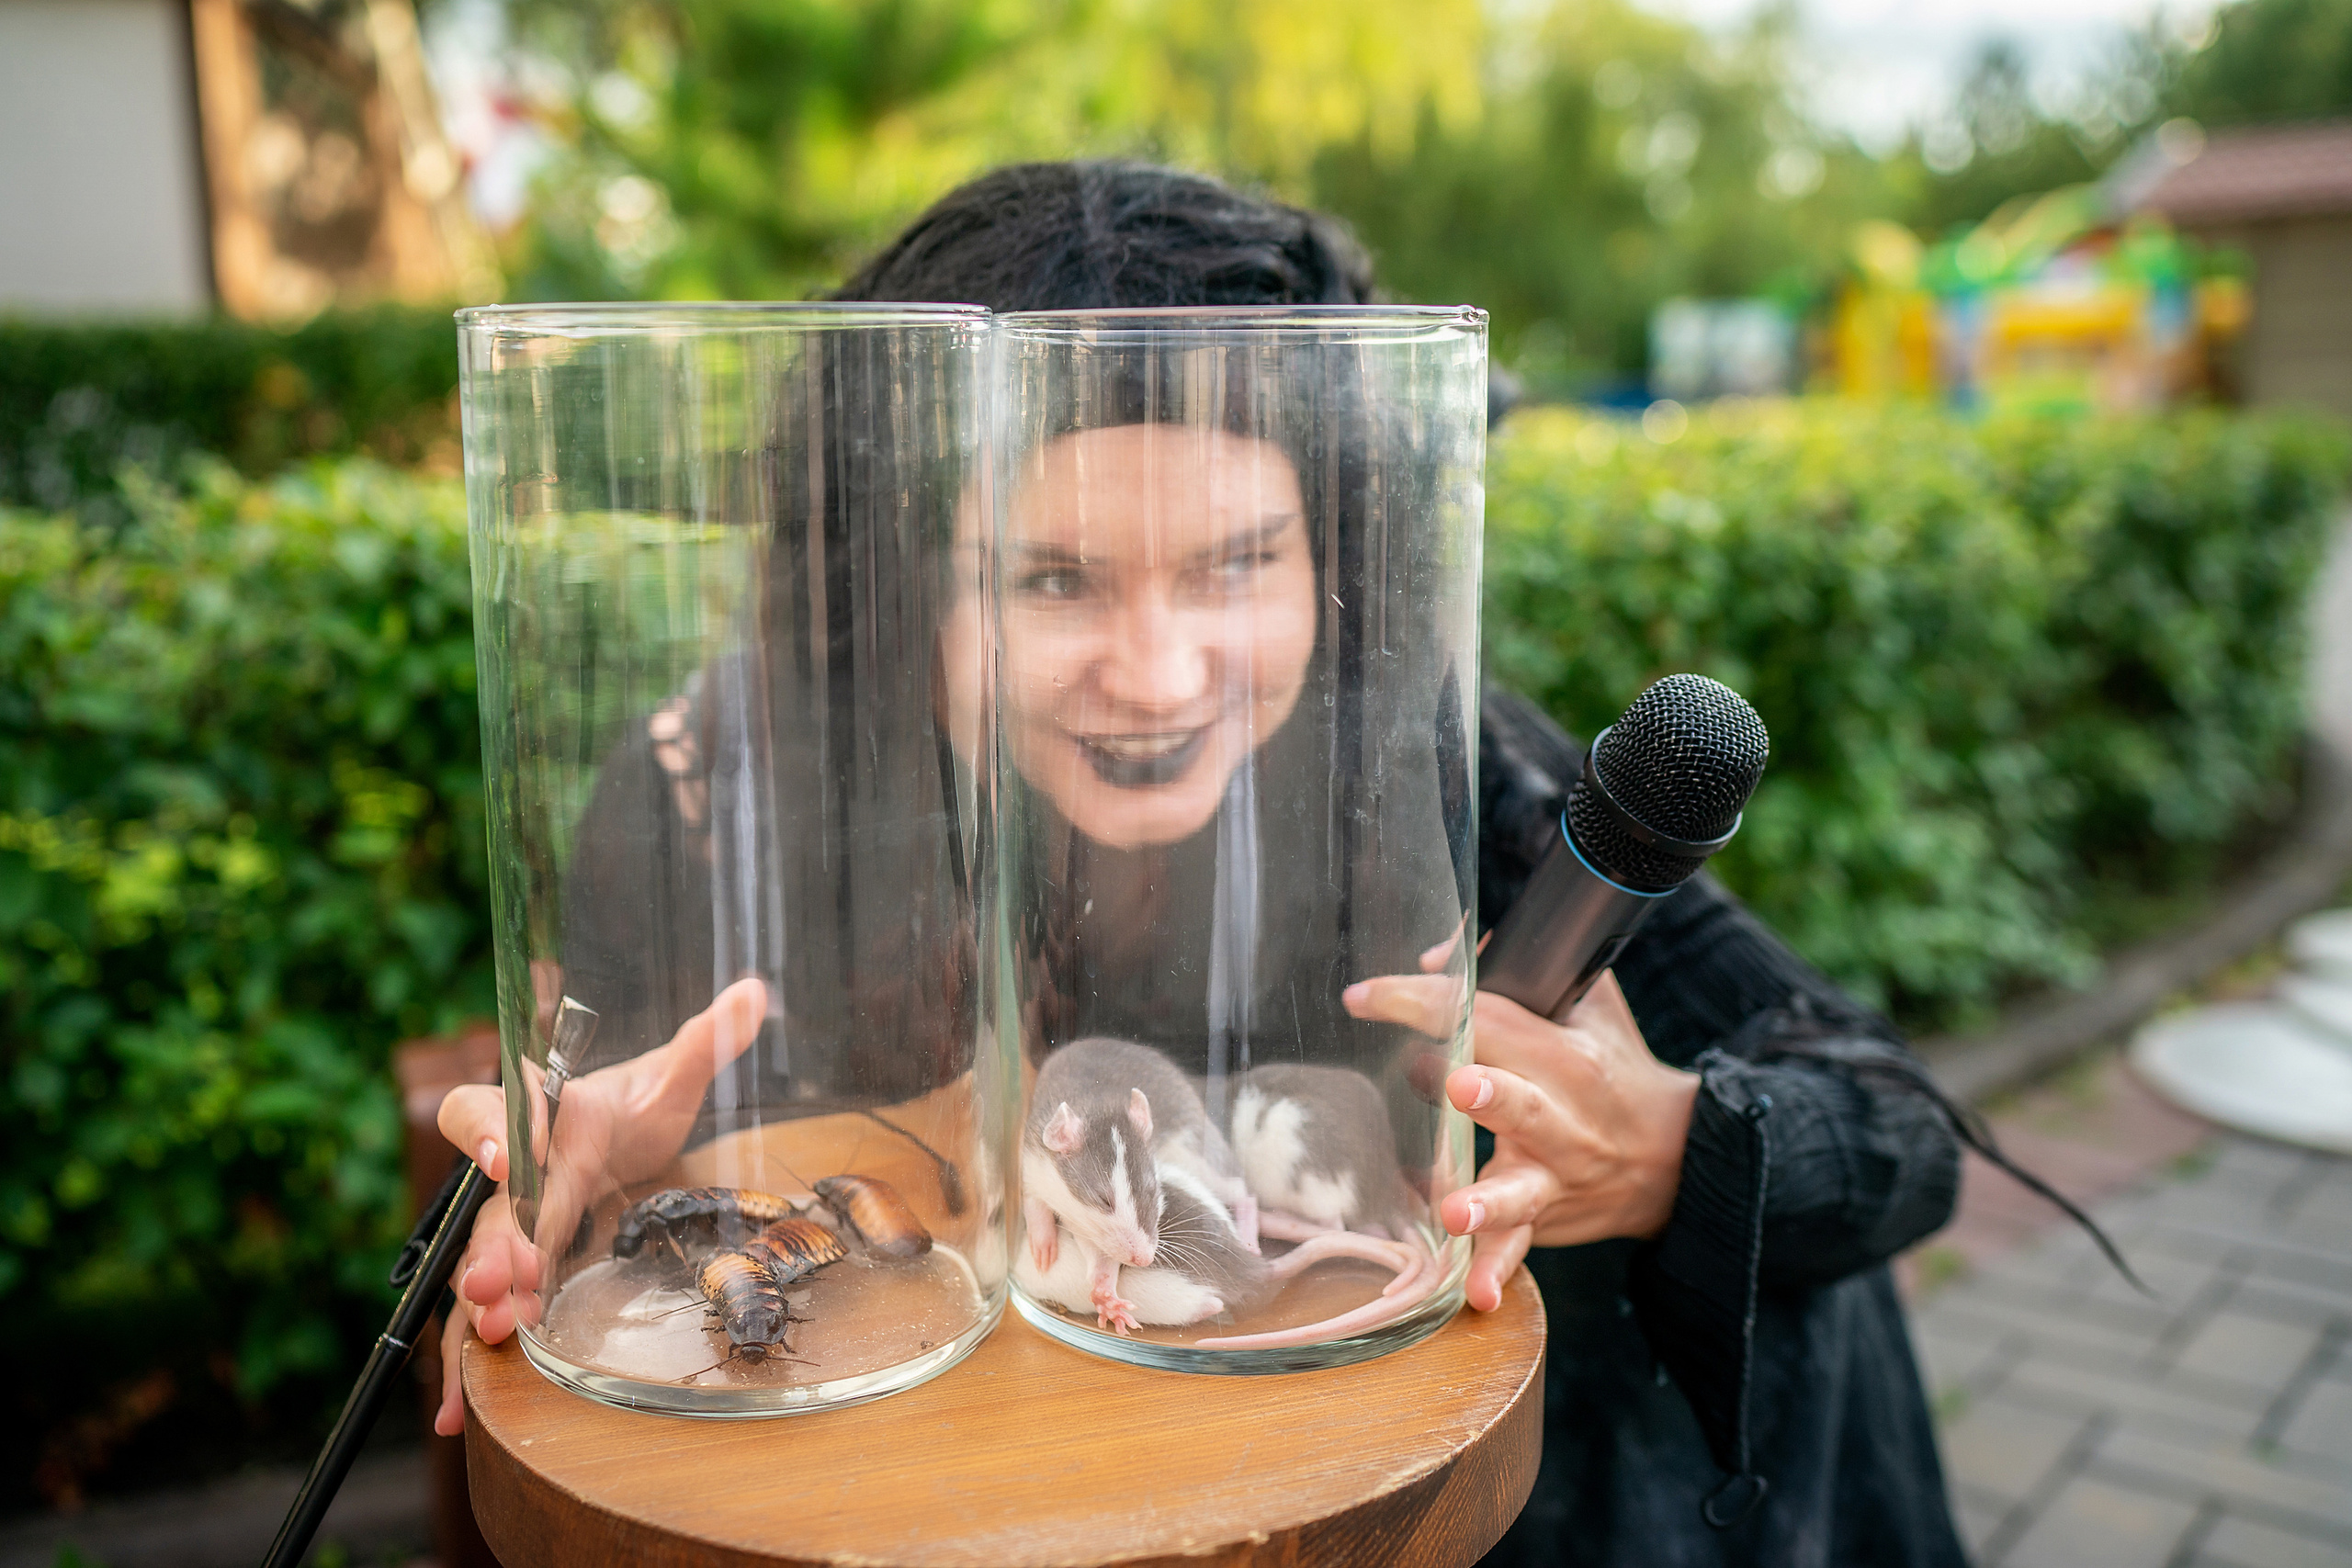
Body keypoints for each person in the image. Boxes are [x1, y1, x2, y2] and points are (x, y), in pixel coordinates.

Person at [436, 161, 1969, 1566]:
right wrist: (599, 1203)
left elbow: (1898, 1132)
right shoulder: (710, 786)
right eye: (1051, 577)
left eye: (1239, 561)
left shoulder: (1438, 770)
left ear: (1339, 551)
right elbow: (637, 1181)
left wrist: (1660, 1151)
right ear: (906, 583)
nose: (1160, 674)